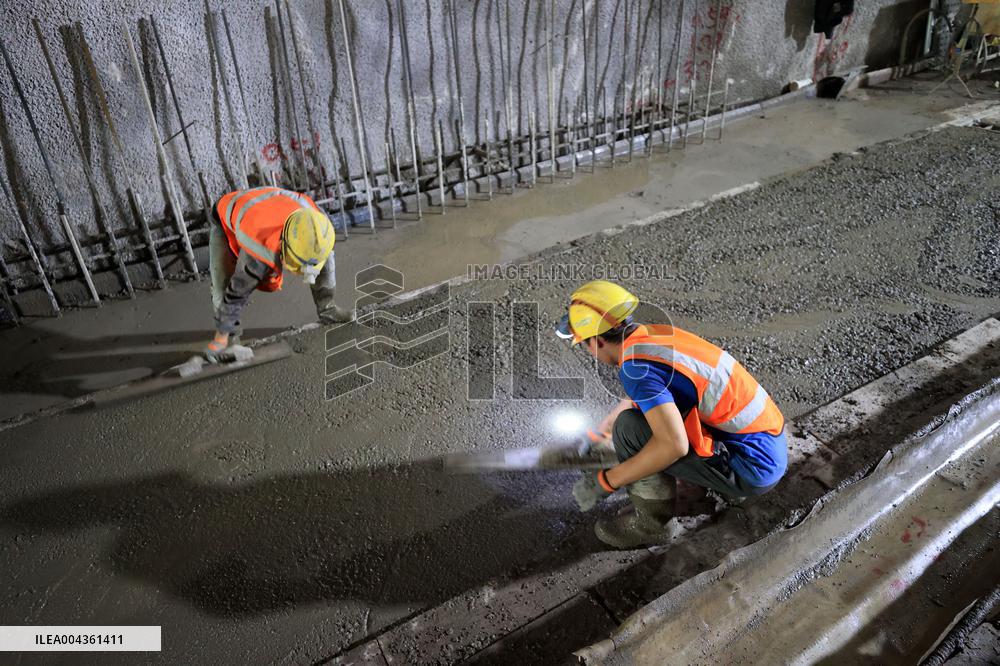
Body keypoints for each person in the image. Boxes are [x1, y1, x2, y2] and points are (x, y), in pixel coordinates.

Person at [555, 280, 787, 548]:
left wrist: (606, 481)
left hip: (753, 470)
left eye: (585, 344)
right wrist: (600, 432)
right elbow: (649, 394)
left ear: (596, 341)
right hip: (767, 443)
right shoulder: (652, 336)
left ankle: (651, 526)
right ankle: (727, 488)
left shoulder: (634, 369)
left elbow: (673, 445)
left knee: (629, 430)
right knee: (633, 424)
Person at [204, 186, 353, 361]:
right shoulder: (258, 249)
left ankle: (328, 309)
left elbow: (323, 257)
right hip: (226, 213)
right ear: (283, 247)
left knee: (325, 258)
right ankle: (229, 342)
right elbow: (235, 295)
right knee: (222, 285)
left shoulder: (318, 223)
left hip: (268, 203)